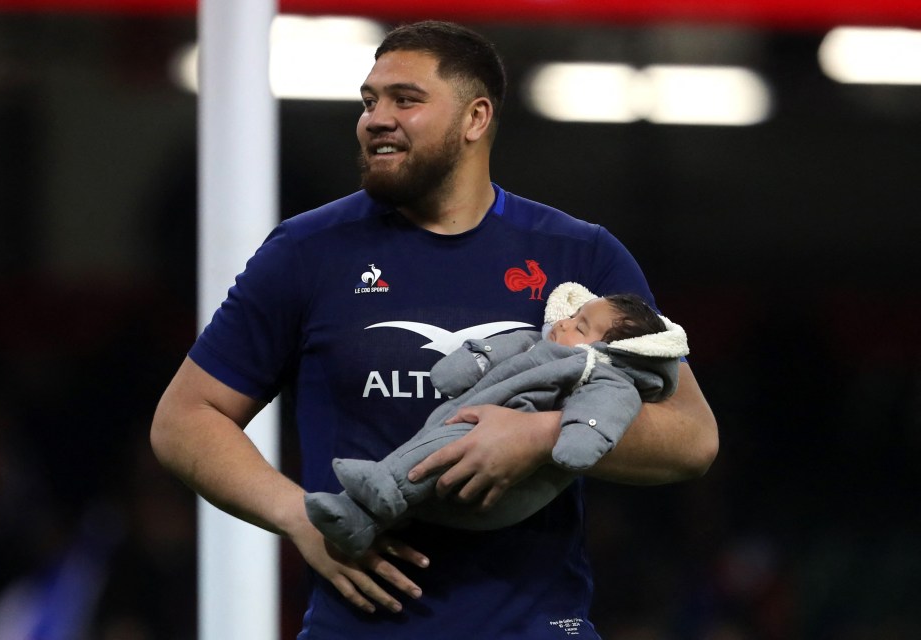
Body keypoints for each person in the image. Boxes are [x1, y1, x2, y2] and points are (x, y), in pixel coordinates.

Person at [150, 20, 717, 640]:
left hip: (535, 626)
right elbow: (184, 418)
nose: (375, 118)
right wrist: (299, 517)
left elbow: (692, 437)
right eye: (369, 101)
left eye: (406, 100)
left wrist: (542, 434)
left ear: (475, 118)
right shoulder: (307, 252)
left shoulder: (580, 257)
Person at [304, 284, 690, 557]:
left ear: (610, 349)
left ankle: (385, 485)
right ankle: (359, 517)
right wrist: (469, 363)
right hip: (459, 426)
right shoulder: (535, 343)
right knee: (438, 448)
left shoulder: (601, 375)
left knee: (445, 450)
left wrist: (551, 435)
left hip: (501, 484)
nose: (566, 323)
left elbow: (601, 414)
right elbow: (487, 353)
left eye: (581, 327)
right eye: (574, 314)